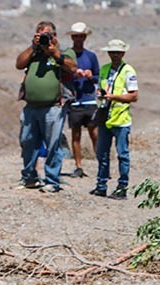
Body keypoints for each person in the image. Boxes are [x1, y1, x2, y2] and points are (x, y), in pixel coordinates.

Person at [14, 20, 81, 193]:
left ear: (54, 36)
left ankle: (52, 180)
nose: (44, 38)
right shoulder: (33, 54)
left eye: (47, 34)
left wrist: (55, 54)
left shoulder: (64, 53)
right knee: (27, 142)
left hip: (53, 107)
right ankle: (29, 177)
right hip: (31, 107)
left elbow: (73, 67)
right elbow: (19, 64)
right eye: (40, 34)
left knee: (53, 145)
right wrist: (32, 47)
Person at [91, 39, 138, 200]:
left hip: (121, 119)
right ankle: (101, 185)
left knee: (122, 154)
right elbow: (101, 89)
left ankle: (122, 187)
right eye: (112, 52)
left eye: (118, 52)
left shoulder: (128, 71)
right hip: (105, 117)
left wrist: (113, 97)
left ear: (123, 53)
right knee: (102, 153)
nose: (115, 55)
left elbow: (133, 96)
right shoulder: (104, 69)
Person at [64, 22, 100, 178]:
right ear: (73, 37)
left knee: (95, 134)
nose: (78, 39)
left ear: (84, 37)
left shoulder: (91, 56)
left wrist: (91, 76)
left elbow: (99, 77)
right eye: (76, 36)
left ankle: (101, 164)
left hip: (89, 100)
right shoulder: (66, 56)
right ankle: (78, 166)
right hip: (74, 101)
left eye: (81, 36)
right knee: (76, 135)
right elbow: (62, 75)